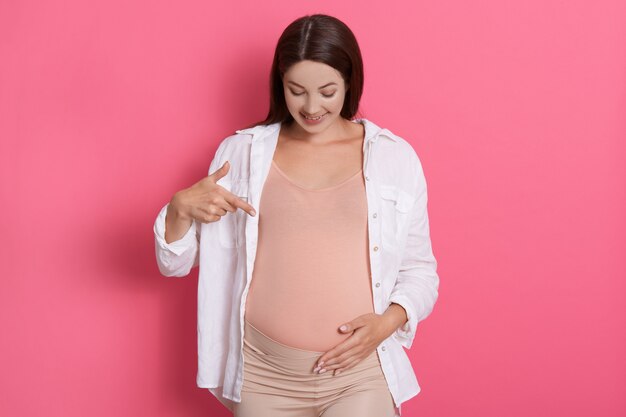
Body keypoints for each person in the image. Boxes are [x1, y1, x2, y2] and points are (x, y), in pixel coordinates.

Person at [153, 13, 439, 417]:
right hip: (263, 376)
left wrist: (387, 323)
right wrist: (179, 209)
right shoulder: (241, 155)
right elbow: (174, 264)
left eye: (327, 91)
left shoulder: (394, 158)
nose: (311, 107)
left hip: (358, 374)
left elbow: (421, 271)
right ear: (280, 83)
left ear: (349, 81)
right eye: (296, 90)